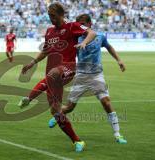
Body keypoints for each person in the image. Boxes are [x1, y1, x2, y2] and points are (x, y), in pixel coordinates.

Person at [19, 14, 127, 144]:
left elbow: (109, 47)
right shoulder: (74, 37)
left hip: (97, 75)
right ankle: (58, 116)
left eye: (82, 24)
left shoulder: (100, 37)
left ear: (89, 24)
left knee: (106, 103)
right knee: (70, 107)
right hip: (81, 75)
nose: (80, 26)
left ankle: (117, 134)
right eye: (78, 23)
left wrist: (119, 60)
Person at [21, 2, 96, 152]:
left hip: (68, 68)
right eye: (49, 16)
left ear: (61, 15)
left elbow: (91, 33)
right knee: (55, 112)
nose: (51, 19)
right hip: (52, 73)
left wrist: (84, 43)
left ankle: (30, 97)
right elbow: (46, 51)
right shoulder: (49, 31)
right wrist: (32, 62)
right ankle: (77, 141)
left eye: (53, 16)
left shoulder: (71, 26)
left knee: (54, 73)